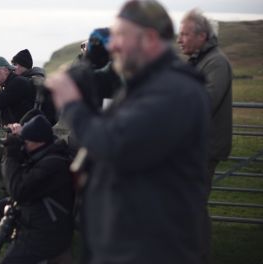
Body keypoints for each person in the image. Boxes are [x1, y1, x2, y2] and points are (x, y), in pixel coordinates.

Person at [45, 0, 210, 263]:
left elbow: (113, 144)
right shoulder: (145, 85)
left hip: (153, 247)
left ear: (150, 38)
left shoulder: (175, 91)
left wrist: (73, 105)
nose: (112, 44)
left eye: (121, 35)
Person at [177, 9, 233, 263]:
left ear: (201, 36)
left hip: (204, 149)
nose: (180, 40)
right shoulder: (199, 61)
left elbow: (206, 102)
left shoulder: (216, 63)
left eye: (185, 34)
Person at [0, 115, 74, 264]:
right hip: (41, 226)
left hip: (45, 232)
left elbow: (18, 190)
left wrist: (12, 155)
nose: (22, 144)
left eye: (25, 141)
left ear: (38, 142)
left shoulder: (53, 164)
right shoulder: (46, 155)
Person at [11, 49, 58, 126]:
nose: (13, 68)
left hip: (32, 128)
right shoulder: (32, 79)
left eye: (15, 64)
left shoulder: (31, 82)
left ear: (24, 65)